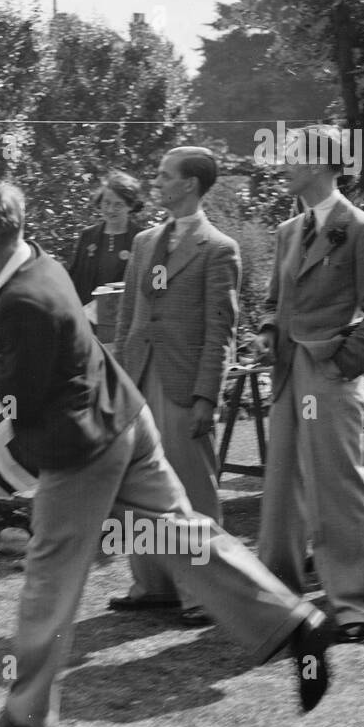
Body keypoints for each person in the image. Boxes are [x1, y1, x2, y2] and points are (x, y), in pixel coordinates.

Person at [0, 169, 335, 727]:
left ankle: (26, 714)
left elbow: (18, 396)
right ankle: (295, 621)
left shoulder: (19, 301)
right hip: (128, 421)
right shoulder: (40, 264)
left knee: (49, 579)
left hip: (83, 449)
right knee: (183, 538)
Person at [254, 126, 364, 642]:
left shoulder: (363, 229)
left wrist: (344, 366)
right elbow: (274, 303)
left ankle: (352, 606)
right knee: (280, 489)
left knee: (337, 485)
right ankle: (277, 595)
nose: (283, 164)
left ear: (320, 164)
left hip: (331, 375)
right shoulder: (287, 232)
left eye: (292, 156)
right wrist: (268, 333)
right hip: (288, 372)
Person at [111, 146, 238, 626]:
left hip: (183, 385)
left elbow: (220, 330)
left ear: (189, 184)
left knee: (192, 492)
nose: (157, 183)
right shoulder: (144, 242)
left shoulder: (220, 248)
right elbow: (127, 317)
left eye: (165, 175)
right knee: (138, 487)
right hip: (139, 380)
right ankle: (152, 586)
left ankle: (203, 594)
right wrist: (120, 381)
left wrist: (207, 395)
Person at [68, 170, 147, 304]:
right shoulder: (88, 235)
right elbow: (74, 278)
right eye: (107, 203)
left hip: (125, 319)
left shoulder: (143, 239)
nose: (110, 210)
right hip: (87, 318)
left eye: (118, 205)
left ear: (130, 205)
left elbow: (155, 284)